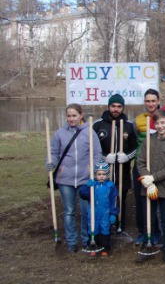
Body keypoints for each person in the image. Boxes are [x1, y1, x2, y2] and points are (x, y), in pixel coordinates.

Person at [46, 103, 102, 253]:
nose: (71, 119)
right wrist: (50, 162)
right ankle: (71, 242)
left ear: (81, 115)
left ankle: (86, 240)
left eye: (74, 116)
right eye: (69, 116)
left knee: (85, 211)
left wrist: (95, 172)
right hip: (65, 179)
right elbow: (54, 152)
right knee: (69, 211)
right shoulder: (60, 133)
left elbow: (97, 154)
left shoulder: (89, 132)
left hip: (85, 178)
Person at [136, 109, 165, 264]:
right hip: (147, 187)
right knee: (149, 218)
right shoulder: (148, 140)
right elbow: (140, 161)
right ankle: (148, 244)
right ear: (153, 124)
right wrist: (146, 180)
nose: (160, 126)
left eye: (163, 122)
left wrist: (153, 178)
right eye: (157, 123)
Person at [93, 93, 138, 235]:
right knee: (103, 198)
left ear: (123, 108)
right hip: (103, 171)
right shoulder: (98, 124)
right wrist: (104, 157)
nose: (116, 109)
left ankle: (120, 225)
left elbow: (135, 147)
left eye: (119, 107)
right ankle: (103, 227)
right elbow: (92, 148)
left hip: (122, 170)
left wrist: (127, 157)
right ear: (109, 106)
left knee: (120, 198)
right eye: (113, 106)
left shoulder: (129, 125)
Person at [133, 88, 161, 246]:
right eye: (147, 101)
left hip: (157, 167)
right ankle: (143, 231)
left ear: (158, 101)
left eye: (153, 101)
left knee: (155, 199)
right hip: (140, 165)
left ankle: (156, 232)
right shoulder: (138, 120)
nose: (150, 104)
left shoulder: (162, 118)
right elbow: (136, 142)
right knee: (141, 199)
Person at [79, 161, 119, 258]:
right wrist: (86, 187)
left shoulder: (110, 186)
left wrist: (113, 213)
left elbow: (114, 201)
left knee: (105, 230)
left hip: (105, 213)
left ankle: (105, 248)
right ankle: (93, 247)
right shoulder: (93, 185)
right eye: (99, 174)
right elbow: (83, 195)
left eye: (104, 174)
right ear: (95, 174)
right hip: (93, 212)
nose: (101, 176)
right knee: (93, 229)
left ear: (107, 175)